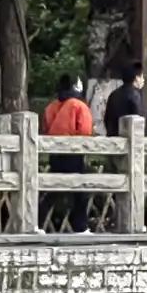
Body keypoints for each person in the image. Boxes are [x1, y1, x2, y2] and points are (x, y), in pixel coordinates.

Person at [38, 76, 99, 228]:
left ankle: (36, 222)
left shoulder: (50, 107)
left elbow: (45, 129)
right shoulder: (79, 105)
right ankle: (80, 225)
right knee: (79, 190)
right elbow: (85, 131)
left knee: (52, 190)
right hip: (73, 154)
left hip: (55, 154)